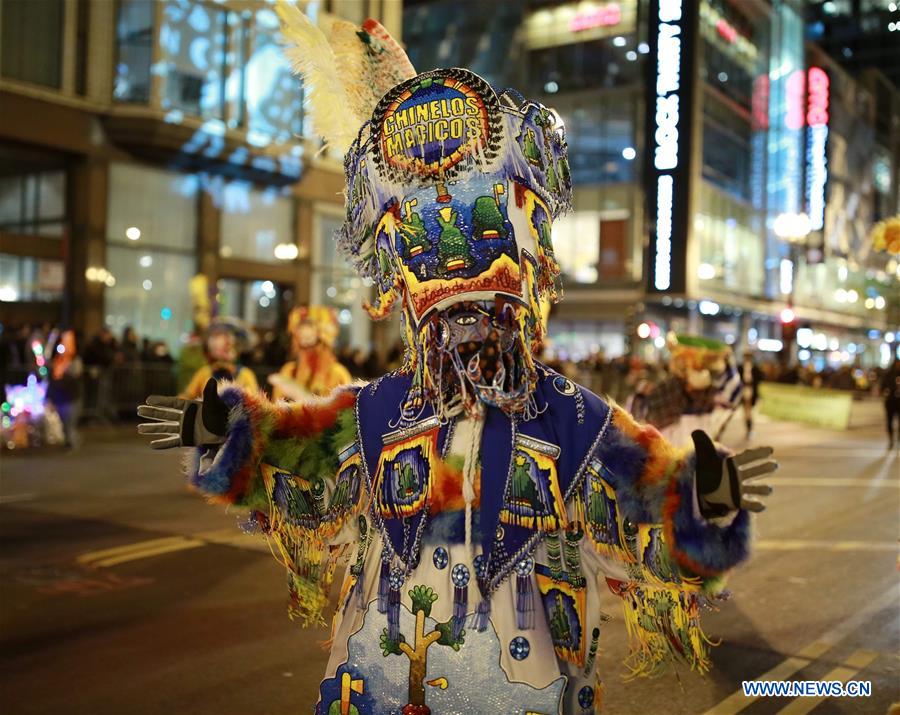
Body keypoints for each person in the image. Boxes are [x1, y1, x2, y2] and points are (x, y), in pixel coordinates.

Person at [137, 12, 777, 714]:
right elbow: (295, 460)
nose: (464, 326)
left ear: (524, 297)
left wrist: (708, 507)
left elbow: (657, 519)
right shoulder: (375, 411)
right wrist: (228, 436)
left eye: (485, 303)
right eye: (446, 312)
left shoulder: (572, 420)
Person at [268, 306, 352, 401]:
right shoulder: (289, 371)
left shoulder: (338, 374)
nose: (308, 352)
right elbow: (277, 409)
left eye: (316, 345)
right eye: (302, 346)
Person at [180, 318, 258, 399]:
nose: (228, 345)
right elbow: (187, 397)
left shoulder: (246, 375)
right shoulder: (204, 373)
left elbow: (254, 402)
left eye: (230, 347)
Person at [46, 330, 83, 449]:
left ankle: (72, 443)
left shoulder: (74, 361)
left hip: (71, 396)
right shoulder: (57, 361)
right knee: (64, 422)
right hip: (61, 396)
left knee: (70, 422)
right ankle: (68, 441)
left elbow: (75, 376)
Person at [740, 352, 764, 440]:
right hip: (744, 391)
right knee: (746, 413)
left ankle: (750, 428)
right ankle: (748, 428)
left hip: (751, 391)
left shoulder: (755, 369)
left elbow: (760, 379)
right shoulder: (740, 368)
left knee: (751, 413)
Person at [881, 359, 900, 449]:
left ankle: (899, 439)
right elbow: (883, 386)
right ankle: (891, 439)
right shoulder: (889, 374)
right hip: (891, 401)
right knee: (889, 421)